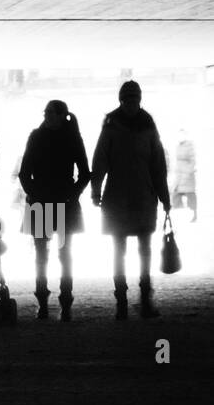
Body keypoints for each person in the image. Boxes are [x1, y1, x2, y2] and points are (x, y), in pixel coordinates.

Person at [90, 80, 170, 319]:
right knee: (128, 249)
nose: (131, 104)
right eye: (128, 100)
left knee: (132, 249)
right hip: (134, 197)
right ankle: (129, 301)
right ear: (122, 100)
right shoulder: (145, 125)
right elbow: (101, 160)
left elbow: (157, 165)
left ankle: (133, 301)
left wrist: (164, 196)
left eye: (133, 99)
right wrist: (95, 190)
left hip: (126, 197)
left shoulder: (115, 125)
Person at [17, 100, 90, 320]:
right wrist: (73, 193)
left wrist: (33, 193)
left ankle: (45, 303)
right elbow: (85, 173)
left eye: (49, 113)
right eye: (46, 112)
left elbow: (24, 173)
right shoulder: (72, 137)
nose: (46, 116)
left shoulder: (37, 137)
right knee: (64, 254)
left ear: (59, 115)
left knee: (43, 255)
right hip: (63, 200)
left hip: (43, 199)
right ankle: (64, 303)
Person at [171, 129, 197, 221]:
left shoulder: (190, 146)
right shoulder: (178, 146)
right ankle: (180, 215)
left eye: (181, 135)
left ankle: (193, 215)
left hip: (187, 176)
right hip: (179, 175)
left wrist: (188, 173)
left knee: (190, 195)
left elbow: (193, 161)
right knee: (175, 195)